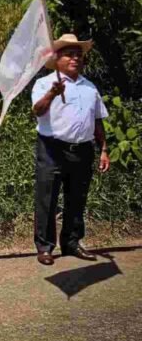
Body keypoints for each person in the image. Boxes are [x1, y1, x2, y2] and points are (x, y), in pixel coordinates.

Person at [31, 34, 110, 265]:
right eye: (69, 54)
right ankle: (45, 247)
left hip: (82, 149)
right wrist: (53, 94)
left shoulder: (90, 87)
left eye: (78, 54)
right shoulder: (44, 83)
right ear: (57, 59)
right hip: (52, 148)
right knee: (47, 197)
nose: (75, 58)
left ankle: (72, 242)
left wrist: (103, 148)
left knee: (77, 197)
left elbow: (97, 120)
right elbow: (38, 110)